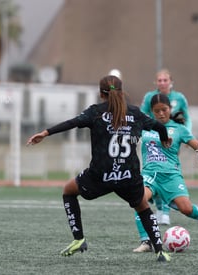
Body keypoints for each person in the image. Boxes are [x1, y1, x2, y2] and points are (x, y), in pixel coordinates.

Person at [27, 75, 172, 262]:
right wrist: (164, 138)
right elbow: (159, 127)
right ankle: (160, 251)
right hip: (129, 174)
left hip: (101, 174)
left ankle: (79, 239)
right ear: (121, 91)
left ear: (100, 93)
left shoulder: (95, 112)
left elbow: (71, 123)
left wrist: (45, 133)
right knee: (143, 207)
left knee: (68, 191)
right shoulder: (135, 113)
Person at [132, 93, 198, 253]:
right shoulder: (145, 127)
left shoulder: (179, 129)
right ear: (151, 111)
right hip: (149, 175)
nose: (160, 113)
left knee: (186, 209)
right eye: (156, 110)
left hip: (171, 177)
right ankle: (147, 241)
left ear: (170, 109)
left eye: (164, 110)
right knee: (138, 200)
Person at [140, 69, 192, 225]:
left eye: (165, 80)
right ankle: (161, 208)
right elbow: (142, 115)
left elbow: (187, 117)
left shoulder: (179, 98)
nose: (162, 83)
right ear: (156, 82)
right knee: (153, 172)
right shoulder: (150, 97)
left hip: (173, 137)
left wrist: (187, 136)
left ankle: (165, 210)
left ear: (171, 82)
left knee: (168, 169)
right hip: (153, 139)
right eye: (159, 80)